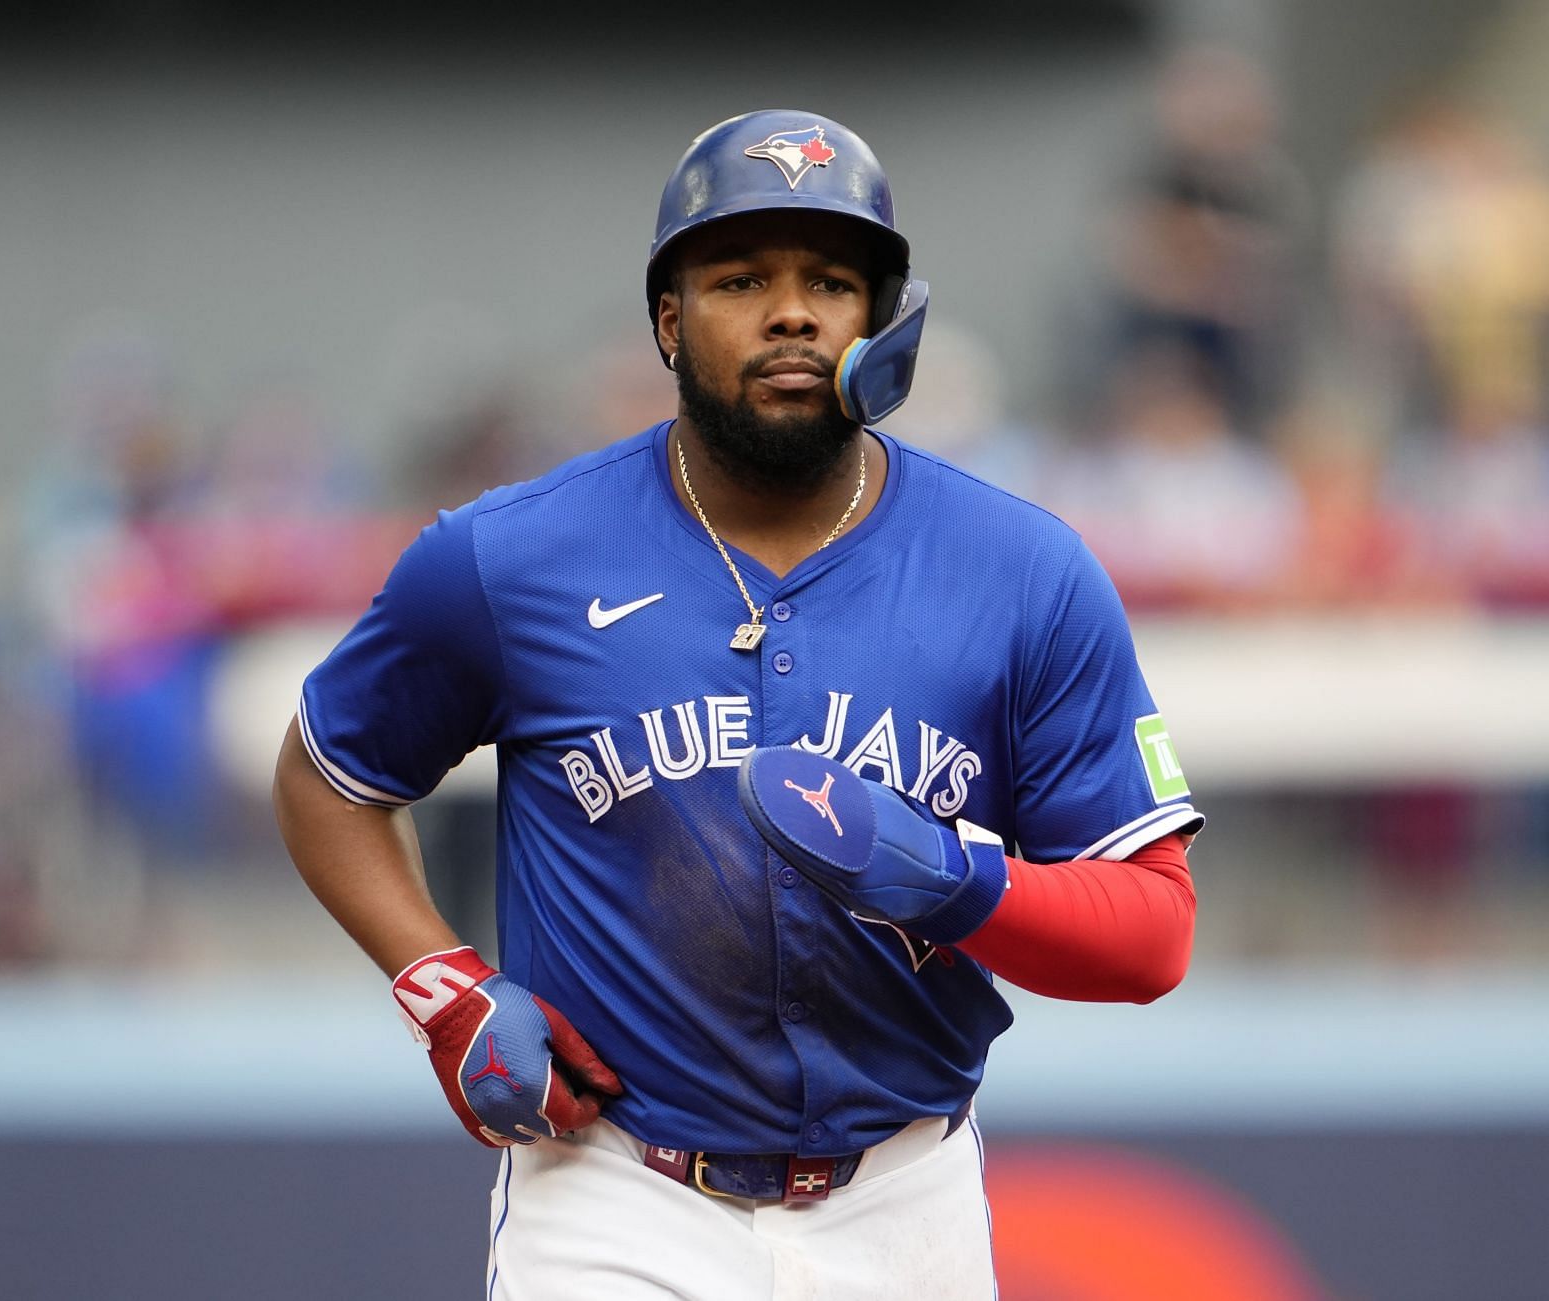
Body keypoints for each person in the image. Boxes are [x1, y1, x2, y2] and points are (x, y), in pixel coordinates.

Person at [273, 109, 1203, 1299]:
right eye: (740, 277)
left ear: (883, 320)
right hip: (616, 1196)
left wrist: (954, 881)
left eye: (832, 279)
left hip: (903, 1199)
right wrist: (441, 987)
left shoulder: (1023, 570)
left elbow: (1152, 930)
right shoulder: (508, 559)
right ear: (668, 319)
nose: (793, 311)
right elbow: (328, 776)